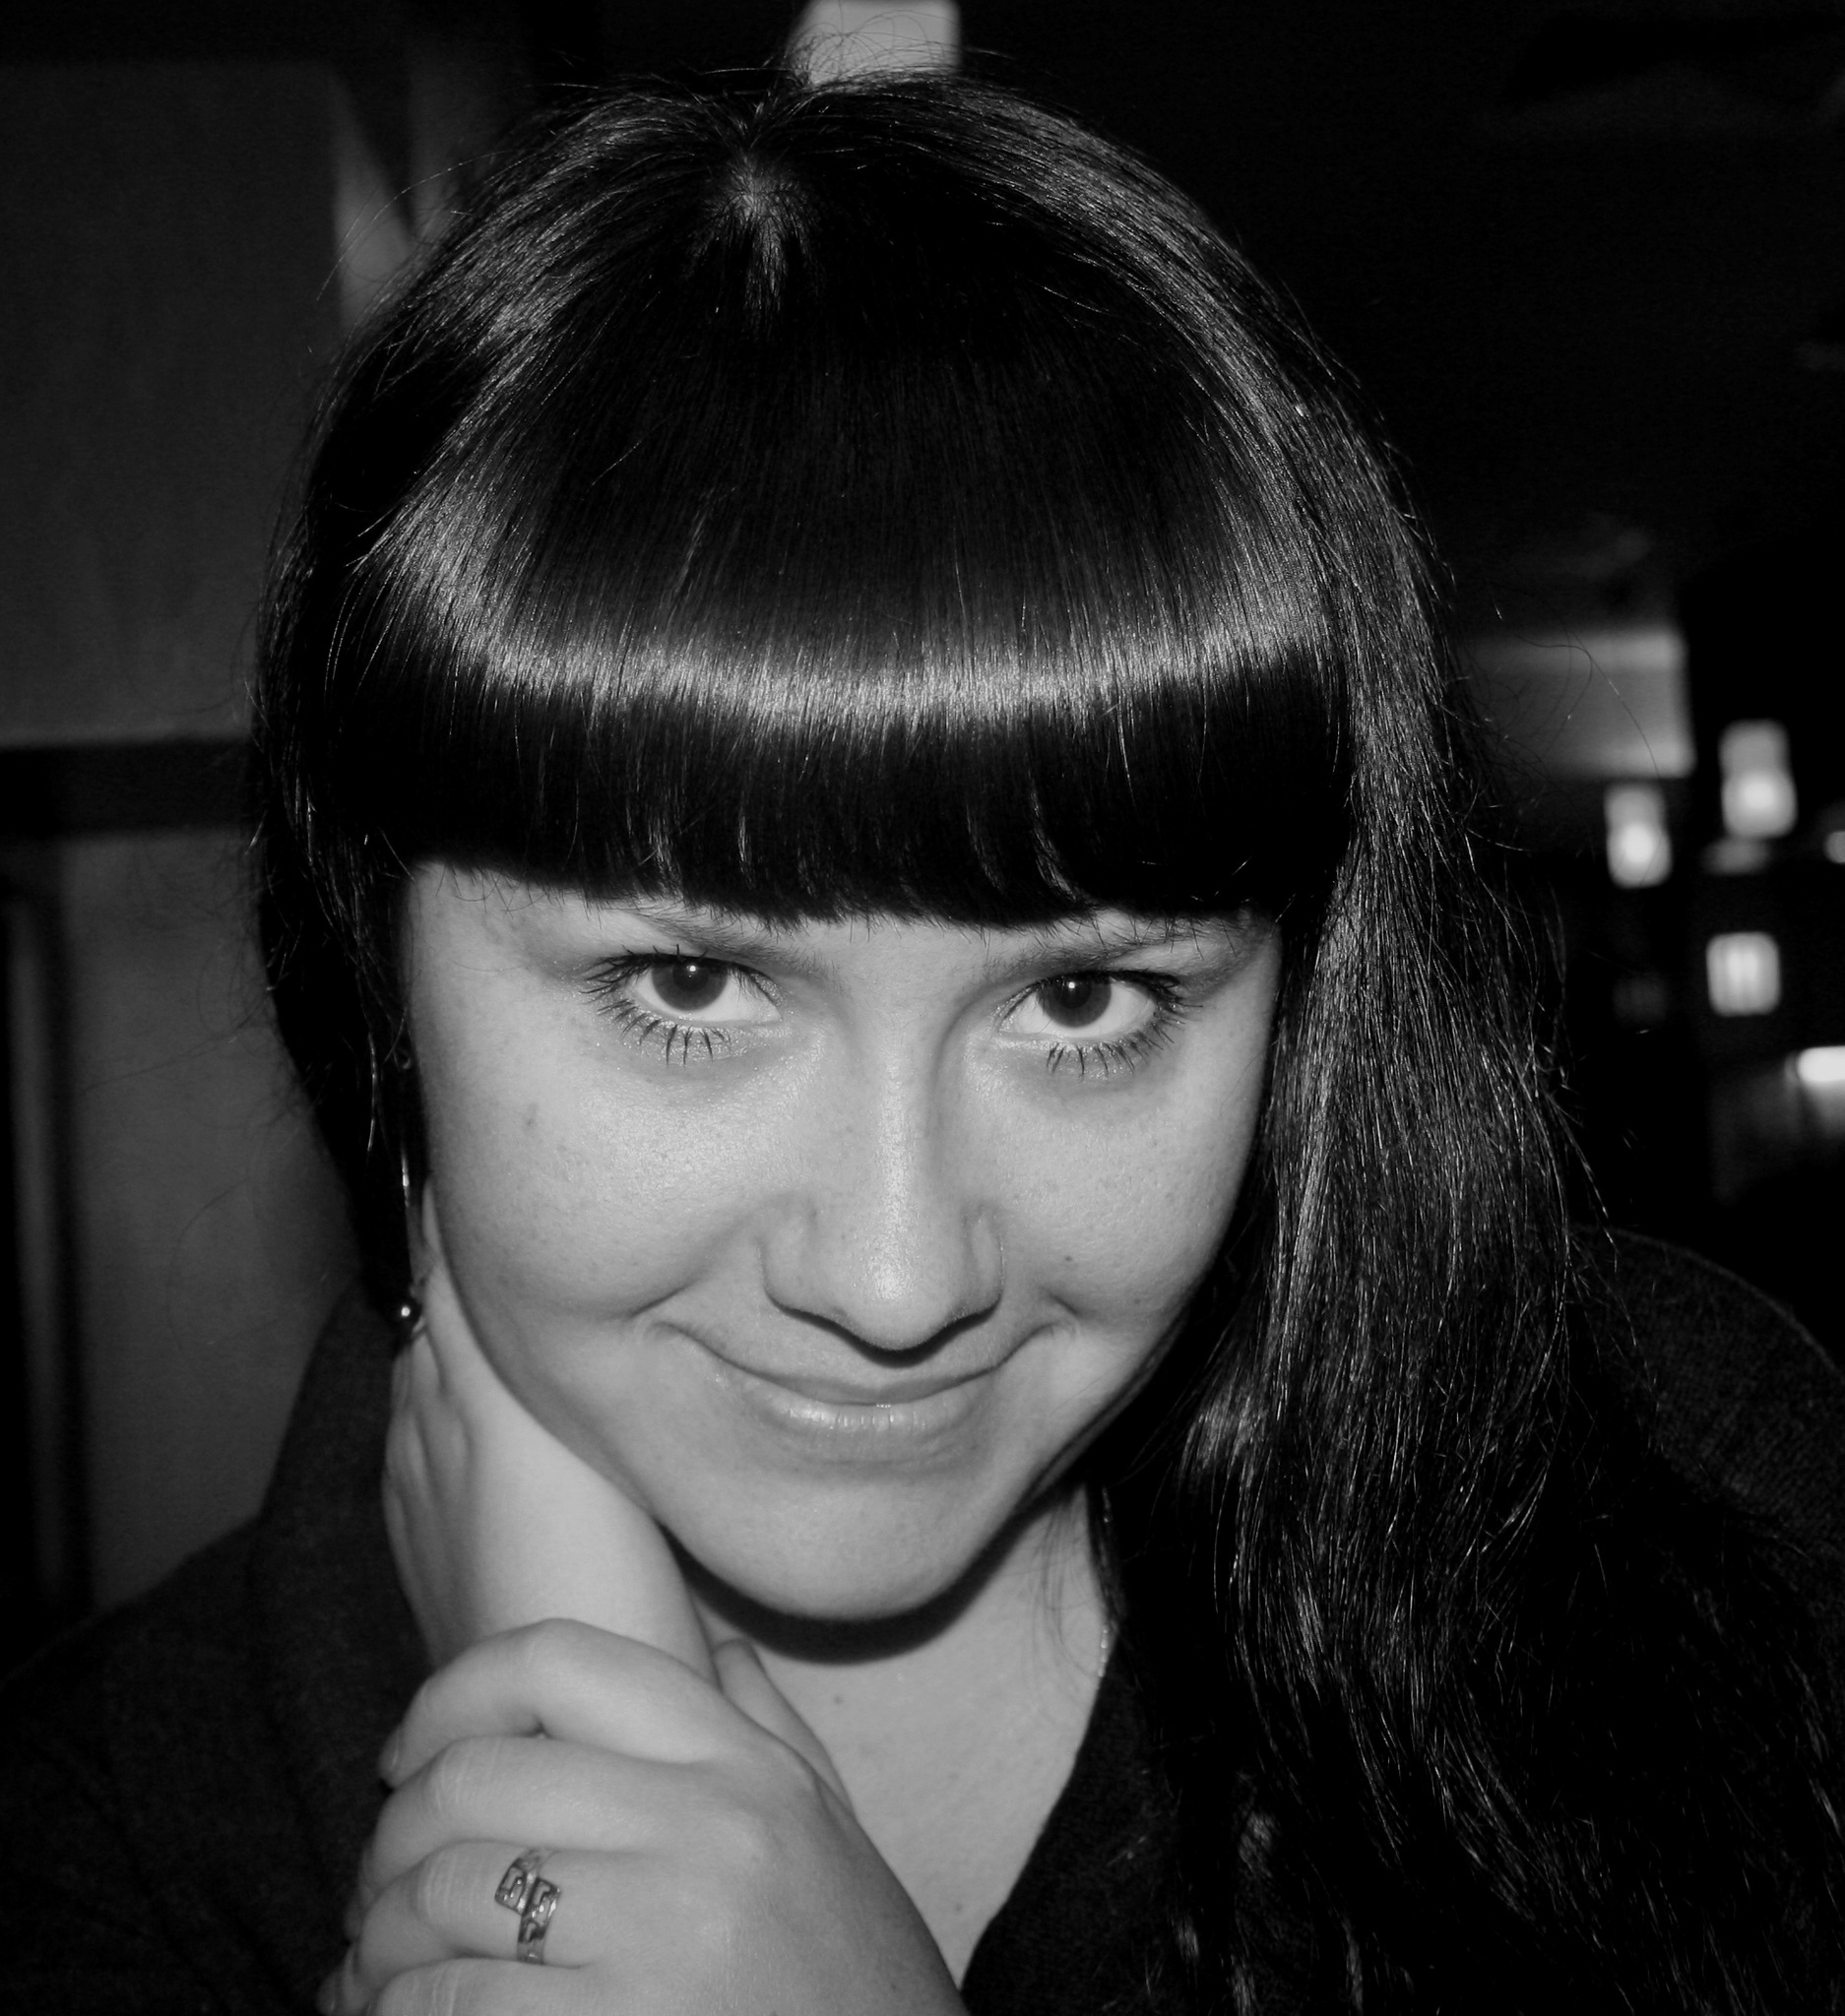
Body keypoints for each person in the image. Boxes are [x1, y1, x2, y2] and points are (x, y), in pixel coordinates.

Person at [4, 72, 1844, 2015]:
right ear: (377, 963)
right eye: (687, 986)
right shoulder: (93, 1872)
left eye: (1080, 1000)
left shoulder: (1682, 1504)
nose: (895, 1281)